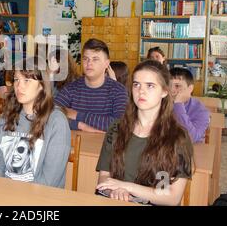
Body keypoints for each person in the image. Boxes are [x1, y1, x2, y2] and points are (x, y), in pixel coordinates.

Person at [96, 60, 194, 206]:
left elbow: (170, 197)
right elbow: (104, 176)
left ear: (164, 91)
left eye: (150, 85)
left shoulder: (176, 137)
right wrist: (116, 191)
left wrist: (127, 187)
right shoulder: (116, 128)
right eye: (136, 85)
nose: (141, 91)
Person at [0, 56, 71, 188]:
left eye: (27, 80)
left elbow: (49, 180)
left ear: (42, 85)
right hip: (3, 194)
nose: (19, 86)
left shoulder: (57, 122)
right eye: (16, 80)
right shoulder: (6, 117)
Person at [55, 38, 128, 132]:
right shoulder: (71, 88)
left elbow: (119, 124)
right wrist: (80, 126)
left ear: (106, 64)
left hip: (107, 146)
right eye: (86, 59)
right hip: (75, 144)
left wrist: (77, 115)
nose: (89, 63)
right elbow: (50, 115)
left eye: (95, 59)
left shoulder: (118, 90)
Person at [170, 67, 210, 143]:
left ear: (190, 88)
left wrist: (178, 105)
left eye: (177, 86)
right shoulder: (160, 104)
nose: (172, 90)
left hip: (189, 151)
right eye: (168, 85)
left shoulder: (201, 111)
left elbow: (191, 138)